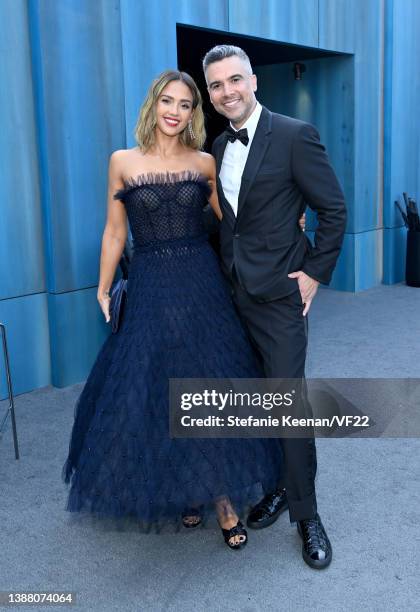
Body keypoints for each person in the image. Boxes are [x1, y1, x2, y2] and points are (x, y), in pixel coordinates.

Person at [62, 69, 305, 550]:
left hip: (201, 284)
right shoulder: (123, 162)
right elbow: (115, 231)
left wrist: (286, 215)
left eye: (186, 104)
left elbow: (235, 218)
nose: (175, 111)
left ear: (194, 113)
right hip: (152, 285)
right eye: (167, 101)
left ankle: (223, 501)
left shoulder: (203, 162)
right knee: (157, 387)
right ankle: (185, 492)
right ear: (153, 105)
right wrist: (104, 286)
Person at [203, 45, 347, 568]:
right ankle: (281, 485)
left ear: (254, 82)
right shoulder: (218, 145)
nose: (228, 92)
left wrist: (313, 273)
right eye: (217, 85)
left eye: (235, 80)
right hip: (233, 294)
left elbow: (332, 208)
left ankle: (307, 514)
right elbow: (230, 219)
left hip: (281, 297)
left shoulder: (293, 134)